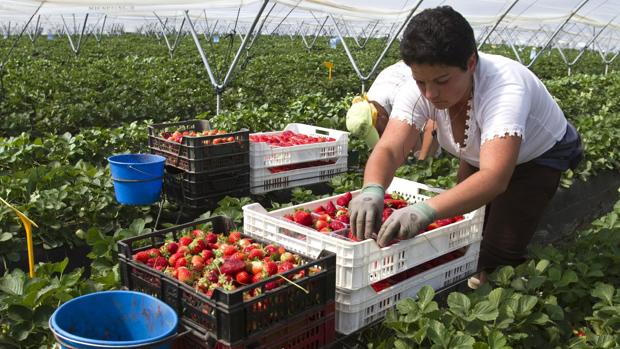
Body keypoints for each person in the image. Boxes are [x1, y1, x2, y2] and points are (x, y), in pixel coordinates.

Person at [349, 6, 583, 288]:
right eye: (420, 81)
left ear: (471, 62)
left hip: (537, 157)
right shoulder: (421, 90)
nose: (430, 93)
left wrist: (424, 211)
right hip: (479, 152)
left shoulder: (505, 89)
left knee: (500, 247)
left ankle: (496, 290)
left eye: (442, 81)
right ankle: (465, 280)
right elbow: (389, 148)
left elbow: (495, 178)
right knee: (467, 224)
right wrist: (372, 189)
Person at [345, 61, 439, 160]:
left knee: (429, 146)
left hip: (431, 71)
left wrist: (423, 162)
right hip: (407, 73)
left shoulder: (403, 97)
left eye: (379, 131)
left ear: (380, 116)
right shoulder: (370, 100)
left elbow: (433, 124)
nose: (381, 135)